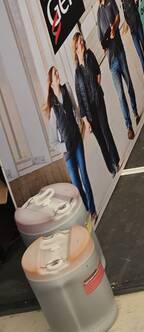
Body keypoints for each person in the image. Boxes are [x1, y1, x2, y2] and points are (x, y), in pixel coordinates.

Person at [43, 67, 96, 218]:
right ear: (51, 81)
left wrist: (81, 125)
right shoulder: (52, 107)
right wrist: (64, 146)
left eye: (58, 72)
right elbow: (52, 142)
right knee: (77, 185)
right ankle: (86, 208)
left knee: (84, 175)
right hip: (67, 151)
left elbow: (76, 109)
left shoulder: (67, 89)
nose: (59, 74)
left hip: (77, 141)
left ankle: (92, 210)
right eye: (55, 74)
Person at [95, 0, 138, 140]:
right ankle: (129, 126)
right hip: (111, 61)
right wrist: (104, 45)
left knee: (129, 86)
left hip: (120, 52)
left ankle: (134, 110)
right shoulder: (98, 14)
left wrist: (113, 28)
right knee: (120, 95)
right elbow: (100, 39)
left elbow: (118, 16)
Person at [71, 31, 119, 176]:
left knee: (105, 130)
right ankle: (110, 168)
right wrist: (85, 121)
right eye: (80, 41)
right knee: (100, 139)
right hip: (89, 111)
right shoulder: (77, 72)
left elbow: (98, 73)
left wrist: (96, 89)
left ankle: (115, 160)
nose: (82, 42)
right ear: (76, 47)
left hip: (98, 102)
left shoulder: (90, 55)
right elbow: (79, 98)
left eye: (82, 40)